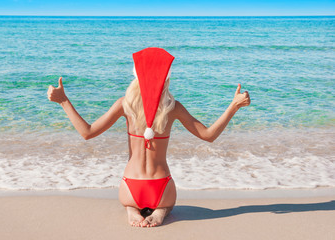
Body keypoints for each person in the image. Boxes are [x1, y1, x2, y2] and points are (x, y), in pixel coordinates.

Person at [47, 47, 250, 228]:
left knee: (129, 203)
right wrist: (233, 107)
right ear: (167, 78)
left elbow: (87, 132)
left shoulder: (125, 104)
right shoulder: (173, 108)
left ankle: (131, 209)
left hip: (130, 187)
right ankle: (161, 211)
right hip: (162, 188)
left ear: (136, 76)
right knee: (167, 205)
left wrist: (63, 101)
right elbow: (208, 135)